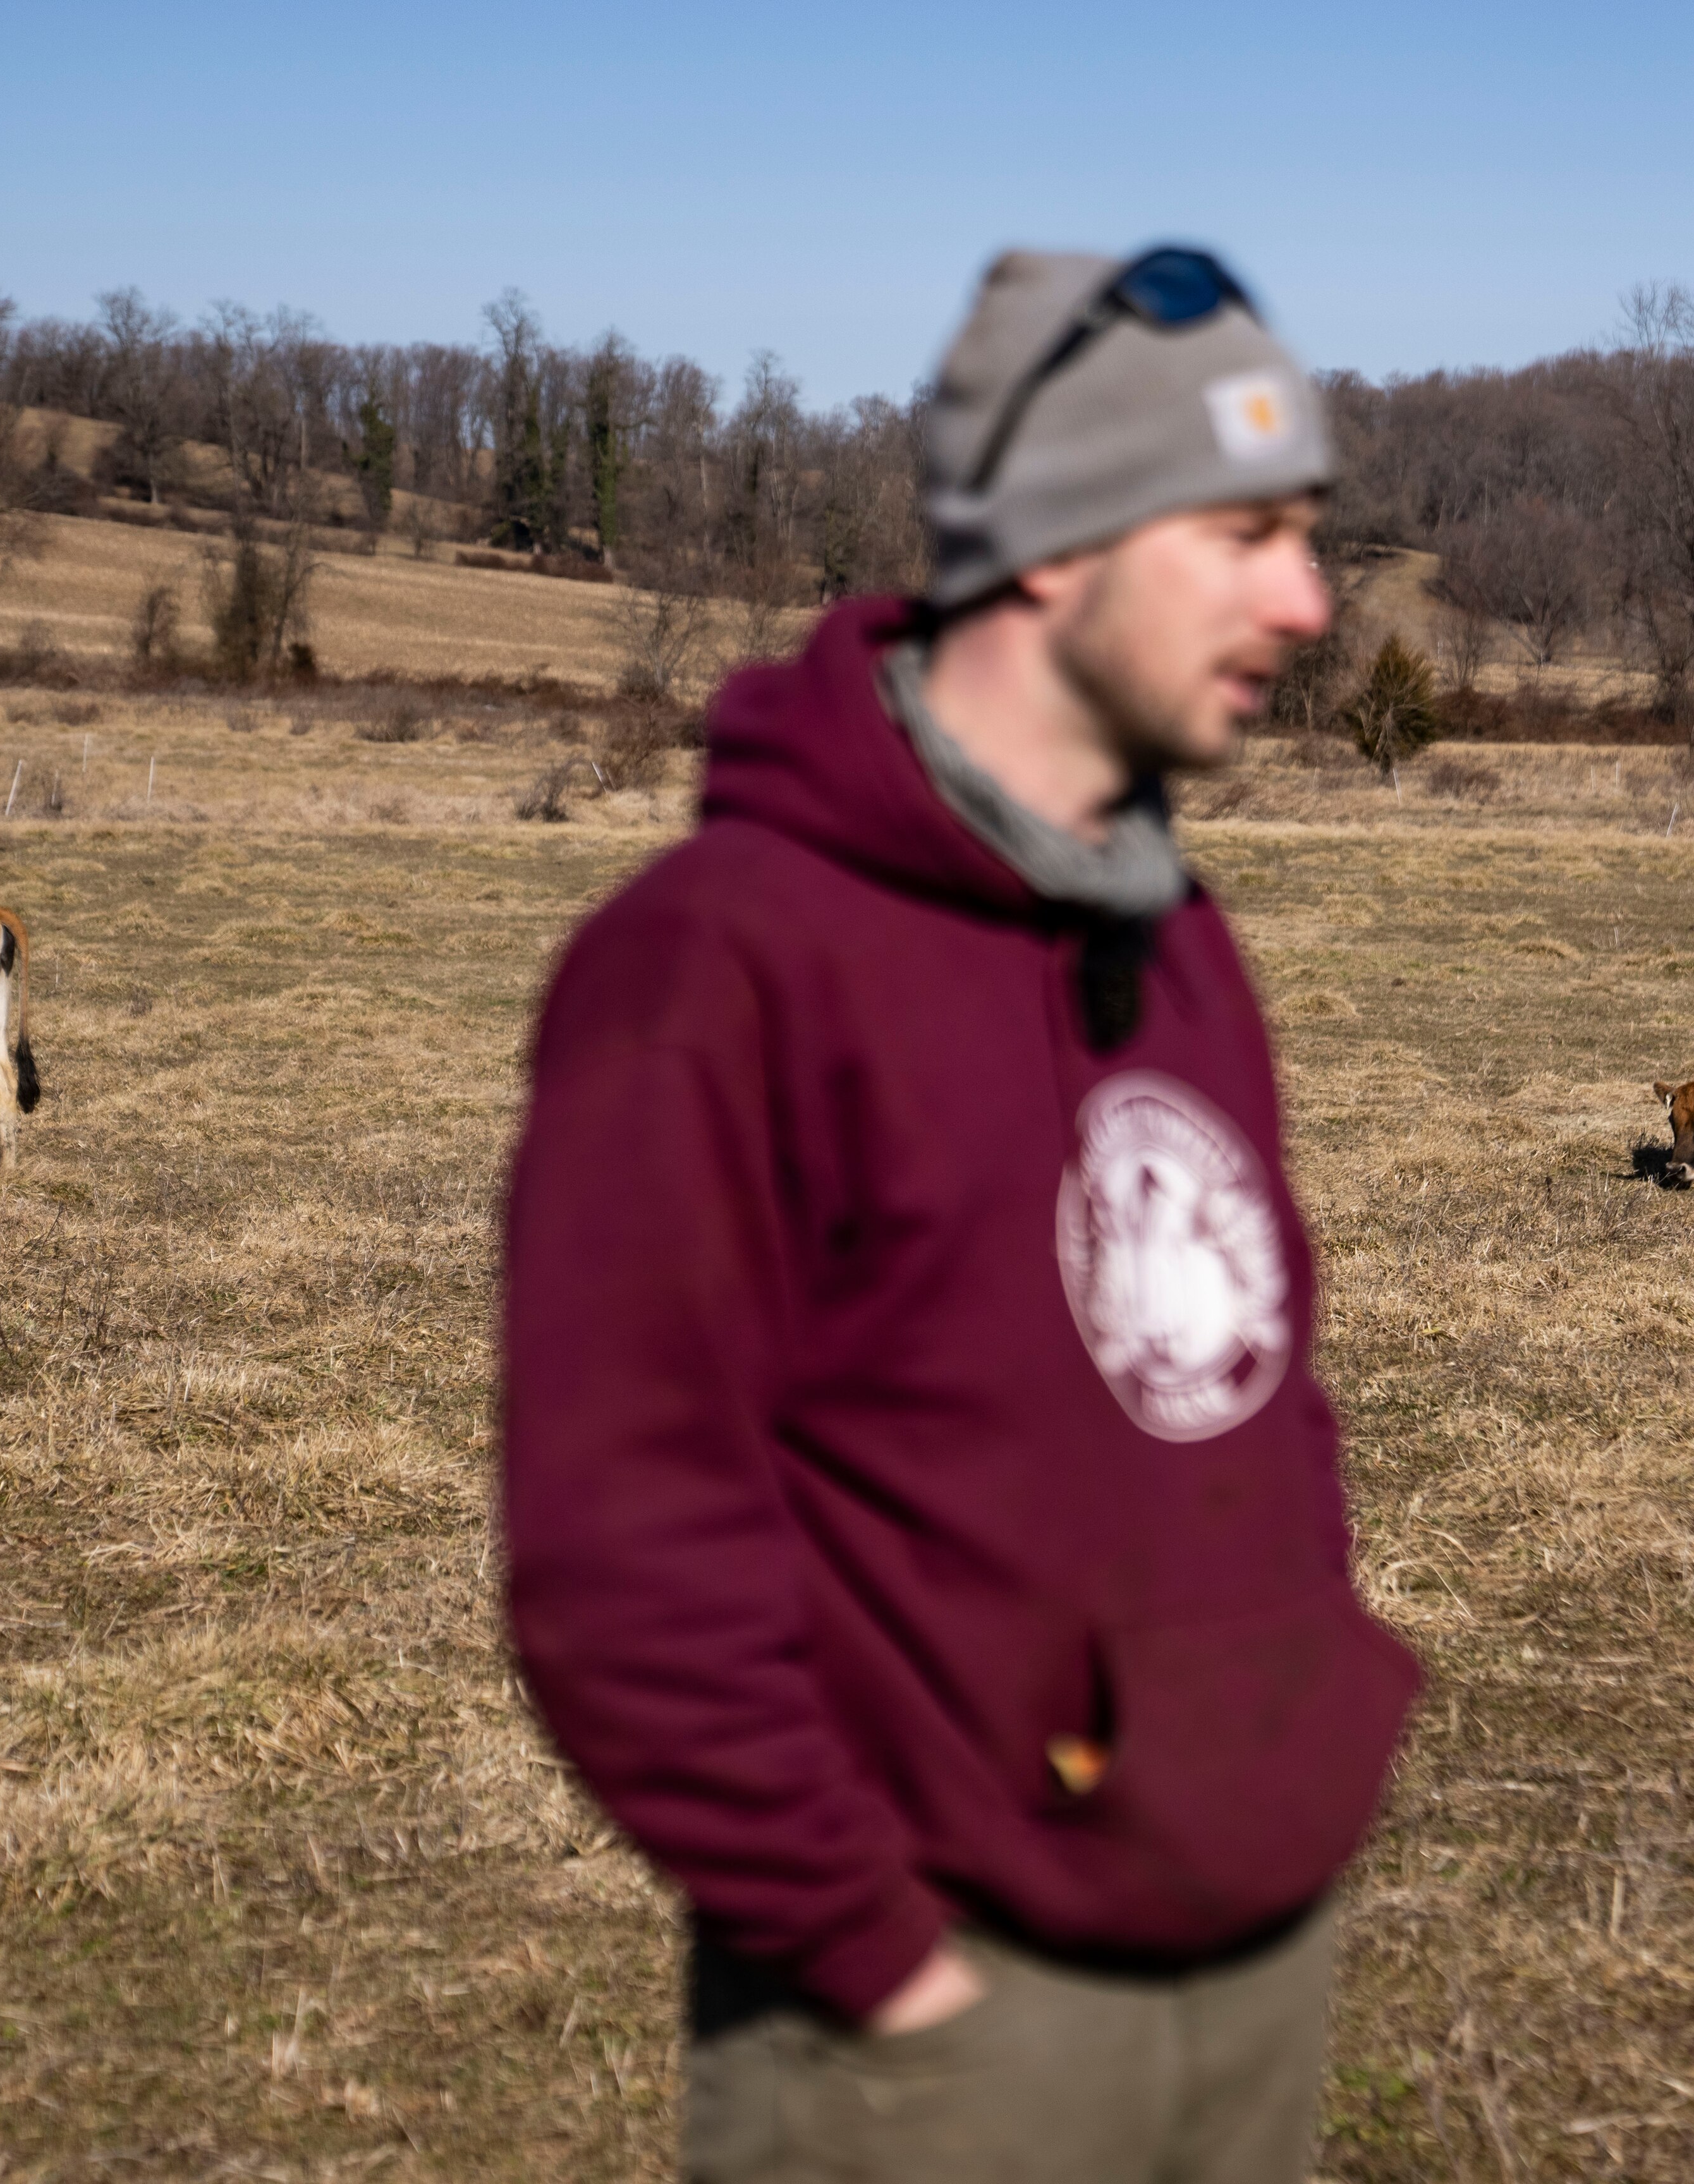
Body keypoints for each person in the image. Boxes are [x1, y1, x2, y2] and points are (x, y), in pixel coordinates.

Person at [500, 245, 1420, 2184]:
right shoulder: (720, 964)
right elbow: (620, 1552)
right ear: (1061, 545)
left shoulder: (1175, 934)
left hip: (1255, 1961)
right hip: (948, 2030)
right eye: (1248, 532)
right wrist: (879, 1960)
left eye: (1308, 536)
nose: (1308, 601)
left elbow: (1247, 1378)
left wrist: (1304, 1705)